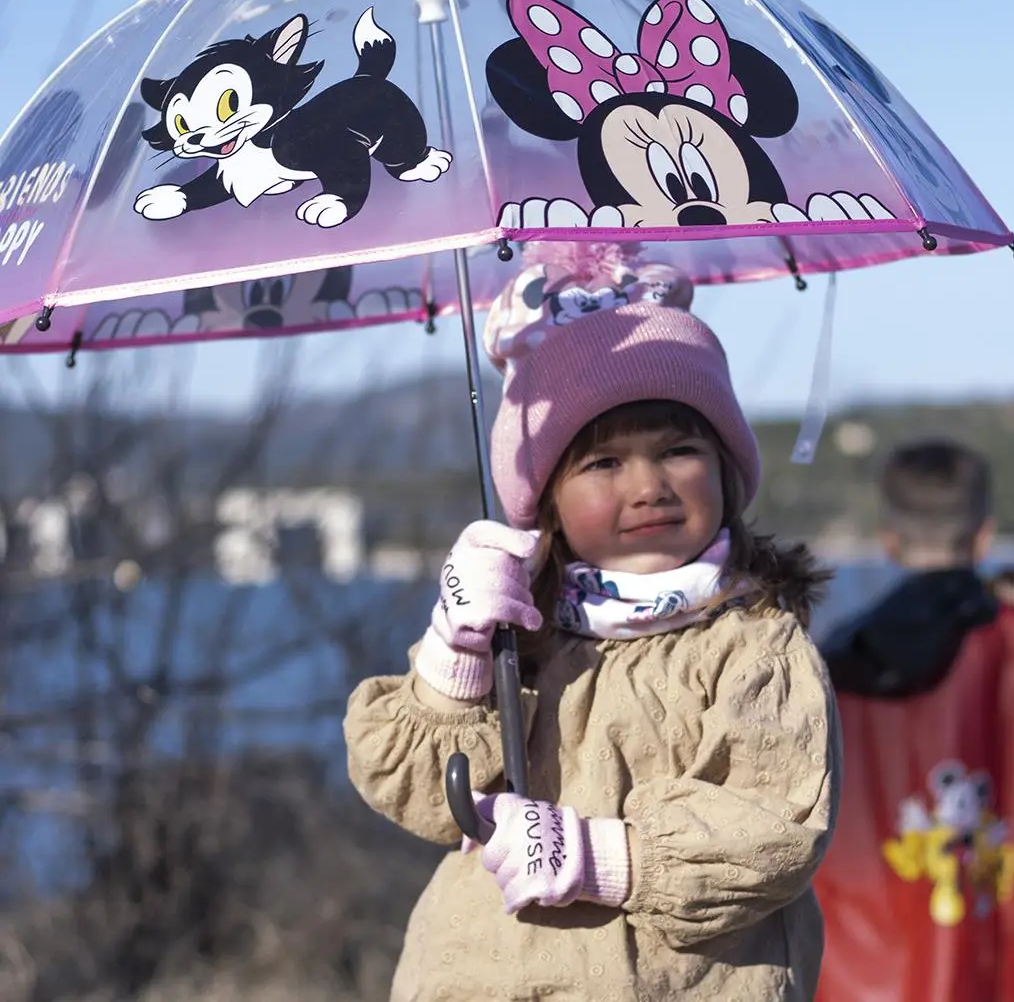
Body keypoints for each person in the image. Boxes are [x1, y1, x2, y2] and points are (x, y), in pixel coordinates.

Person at [344, 258, 841, 1002]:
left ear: (726, 468)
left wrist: (603, 858)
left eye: (678, 449)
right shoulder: (521, 636)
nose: (649, 486)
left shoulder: (755, 646)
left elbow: (775, 826)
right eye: (603, 461)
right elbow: (419, 795)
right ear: (543, 499)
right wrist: (459, 650)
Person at [814, 439, 1014, 1002]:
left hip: (868, 972)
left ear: (890, 540)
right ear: (984, 536)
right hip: (992, 964)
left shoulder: (833, 661)